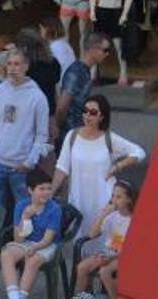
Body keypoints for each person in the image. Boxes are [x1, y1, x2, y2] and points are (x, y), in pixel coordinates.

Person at [52, 94, 145, 234]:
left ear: (102, 117)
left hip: (104, 200)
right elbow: (62, 168)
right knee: (81, 241)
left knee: (103, 242)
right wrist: (50, 192)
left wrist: (117, 166)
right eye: (85, 110)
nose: (87, 115)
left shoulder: (109, 138)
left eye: (93, 112)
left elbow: (139, 152)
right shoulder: (72, 136)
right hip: (79, 200)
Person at [0, 49, 50, 217]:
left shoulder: (37, 97)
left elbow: (42, 135)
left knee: (23, 213)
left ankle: (19, 243)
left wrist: (29, 161)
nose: (12, 68)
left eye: (17, 64)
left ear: (26, 66)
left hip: (21, 166)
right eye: (9, 64)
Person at [0, 169, 63, 299]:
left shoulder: (54, 209)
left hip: (46, 244)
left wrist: (35, 248)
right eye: (41, 189)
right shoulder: (22, 205)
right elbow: (18, 238)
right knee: (6, 254)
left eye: (48, 188)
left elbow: (48, 240)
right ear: (30, 190)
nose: (46, 192)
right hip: (26, 242)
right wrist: (25, 218)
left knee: (33, 259)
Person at [74, 180, 135, 299]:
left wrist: (111, 257)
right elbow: (92, 233)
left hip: (123, 256)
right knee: (82, 267)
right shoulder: (112, 216)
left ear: (129, 200)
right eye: (113, 196)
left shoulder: (133, 220)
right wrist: (104, 214)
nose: (114, 200)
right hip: (108, 251)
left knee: (104, 272)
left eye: (119, 197)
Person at [56, 33, 111, 135]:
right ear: (93, 49)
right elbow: (62, 106)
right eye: (105, 50)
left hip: (77, 132)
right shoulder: (76, 72)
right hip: (69, 133)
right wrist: (57, 129)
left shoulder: (84, 71)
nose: (107, 54)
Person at [16, 27, 62, 126]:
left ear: (24, 48)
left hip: (27, 114)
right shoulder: (53, 63)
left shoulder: (26, 67)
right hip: (49, 113)